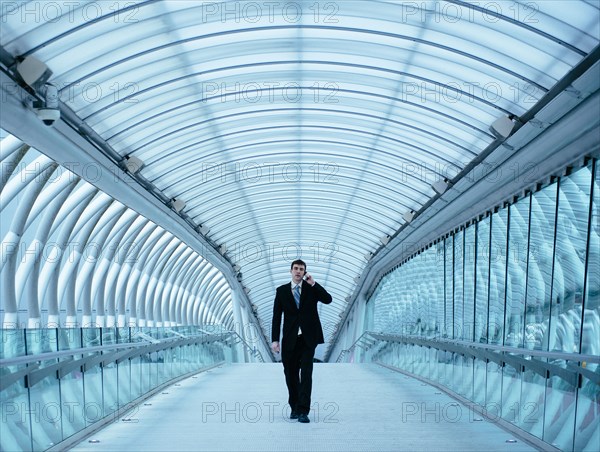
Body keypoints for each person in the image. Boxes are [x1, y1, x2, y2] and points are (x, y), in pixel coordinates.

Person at [271, 259, 332, 423]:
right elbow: (276, 317)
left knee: (306, 374)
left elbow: (328, 299)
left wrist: (314, 284)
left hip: (308, 339)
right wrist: (275, 340)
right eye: (296, 268)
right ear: (290, 271)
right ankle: (294, 407)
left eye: (301, 269)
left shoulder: (311, 289)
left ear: (305, 272)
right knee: (290, 374)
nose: (298, 271)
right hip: (290, 339)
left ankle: (304, 411)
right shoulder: (282, 291)